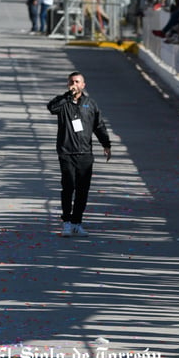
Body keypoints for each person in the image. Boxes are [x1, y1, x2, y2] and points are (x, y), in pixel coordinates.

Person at [47, 72, 112, 237]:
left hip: (85, 154)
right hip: (67, 153)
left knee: (83, 191)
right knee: (68, 188)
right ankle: (67, 222)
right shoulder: (63, 102)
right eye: (71, 82)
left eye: (77, 82)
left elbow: (99, 125)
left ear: (83, 85)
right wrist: (68, 96)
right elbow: (51, 108)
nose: (74, 84)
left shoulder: (90, 104)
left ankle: (77, 222)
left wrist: (106, 144)